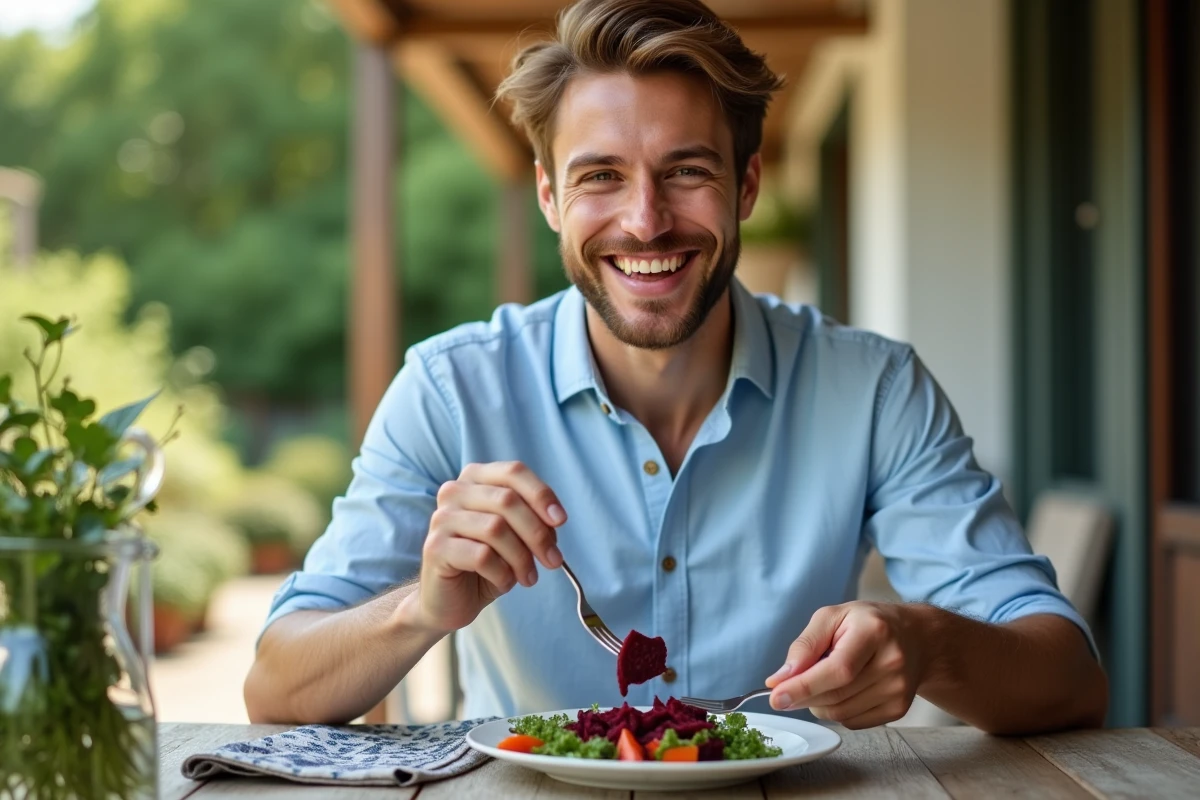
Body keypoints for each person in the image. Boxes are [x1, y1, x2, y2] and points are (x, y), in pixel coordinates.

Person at [244, 0, 1108, 734]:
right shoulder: (448, 389)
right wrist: (418, 610)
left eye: (687, 171)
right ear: (549, 196)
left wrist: (927, 643)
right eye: (601, 177)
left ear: (747, 186)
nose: (646, 221)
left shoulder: (875, 390)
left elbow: (1069, 676)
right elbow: (275, 686)